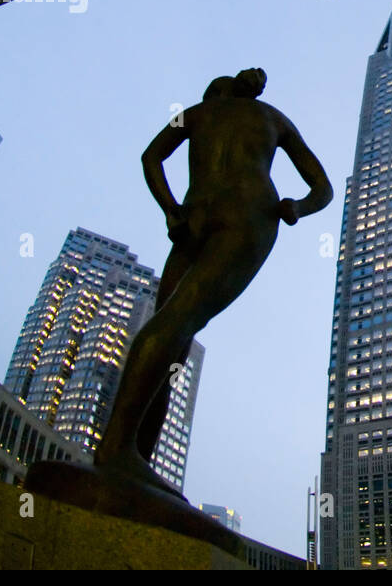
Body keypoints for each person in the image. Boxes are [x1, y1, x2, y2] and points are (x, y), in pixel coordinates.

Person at [93, 67, 332, 493]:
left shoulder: (207, 114)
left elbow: (151, 157)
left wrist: (171, 210)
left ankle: (133, 456)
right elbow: (323, 188)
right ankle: (118, 450)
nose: (256, 75)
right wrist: (298, 206)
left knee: (174, 332)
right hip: (243, 216)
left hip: (200, 216)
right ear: (224, 88)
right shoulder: (265, 117)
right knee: (174, 326)